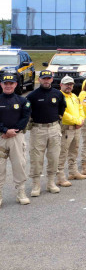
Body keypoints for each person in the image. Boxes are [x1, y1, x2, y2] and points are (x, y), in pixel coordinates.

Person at [26, 69, 66, 196]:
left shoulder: (58, 94)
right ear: (39, 80)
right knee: (36, 158)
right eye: (44, 79)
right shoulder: (32, 96)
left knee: (54, 157)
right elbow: (26, 111)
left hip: (54, 128)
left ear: (52, 79)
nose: (46, 81)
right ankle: (36, 185)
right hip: (38, 129)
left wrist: (57, 119)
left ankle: (51, 183)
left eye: (48, 78)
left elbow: (62, 107)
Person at [0, 73, 32, 206]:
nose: (8, 86)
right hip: (1, 137)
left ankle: (21, 192)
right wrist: (4, 130)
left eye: (11, 83)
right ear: (1, 84)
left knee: (19, 165)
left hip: (16, 138)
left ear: (15, 84)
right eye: (5, 83)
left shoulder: (23, 101)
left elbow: (25, 118)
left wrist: (14, 131)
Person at [57, 76, 86, 188]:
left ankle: (73, 172)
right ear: (61, 85)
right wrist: (77, 121)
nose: (68, 86)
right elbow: (63, 114)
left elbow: (80, 109)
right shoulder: (59, 96)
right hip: (66, 128)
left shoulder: (74, 96)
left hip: (76, 128)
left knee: (74, 151)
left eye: (70, 84)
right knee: (62, 153)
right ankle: (60, 177)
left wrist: (81, 120)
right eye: (66, 84)